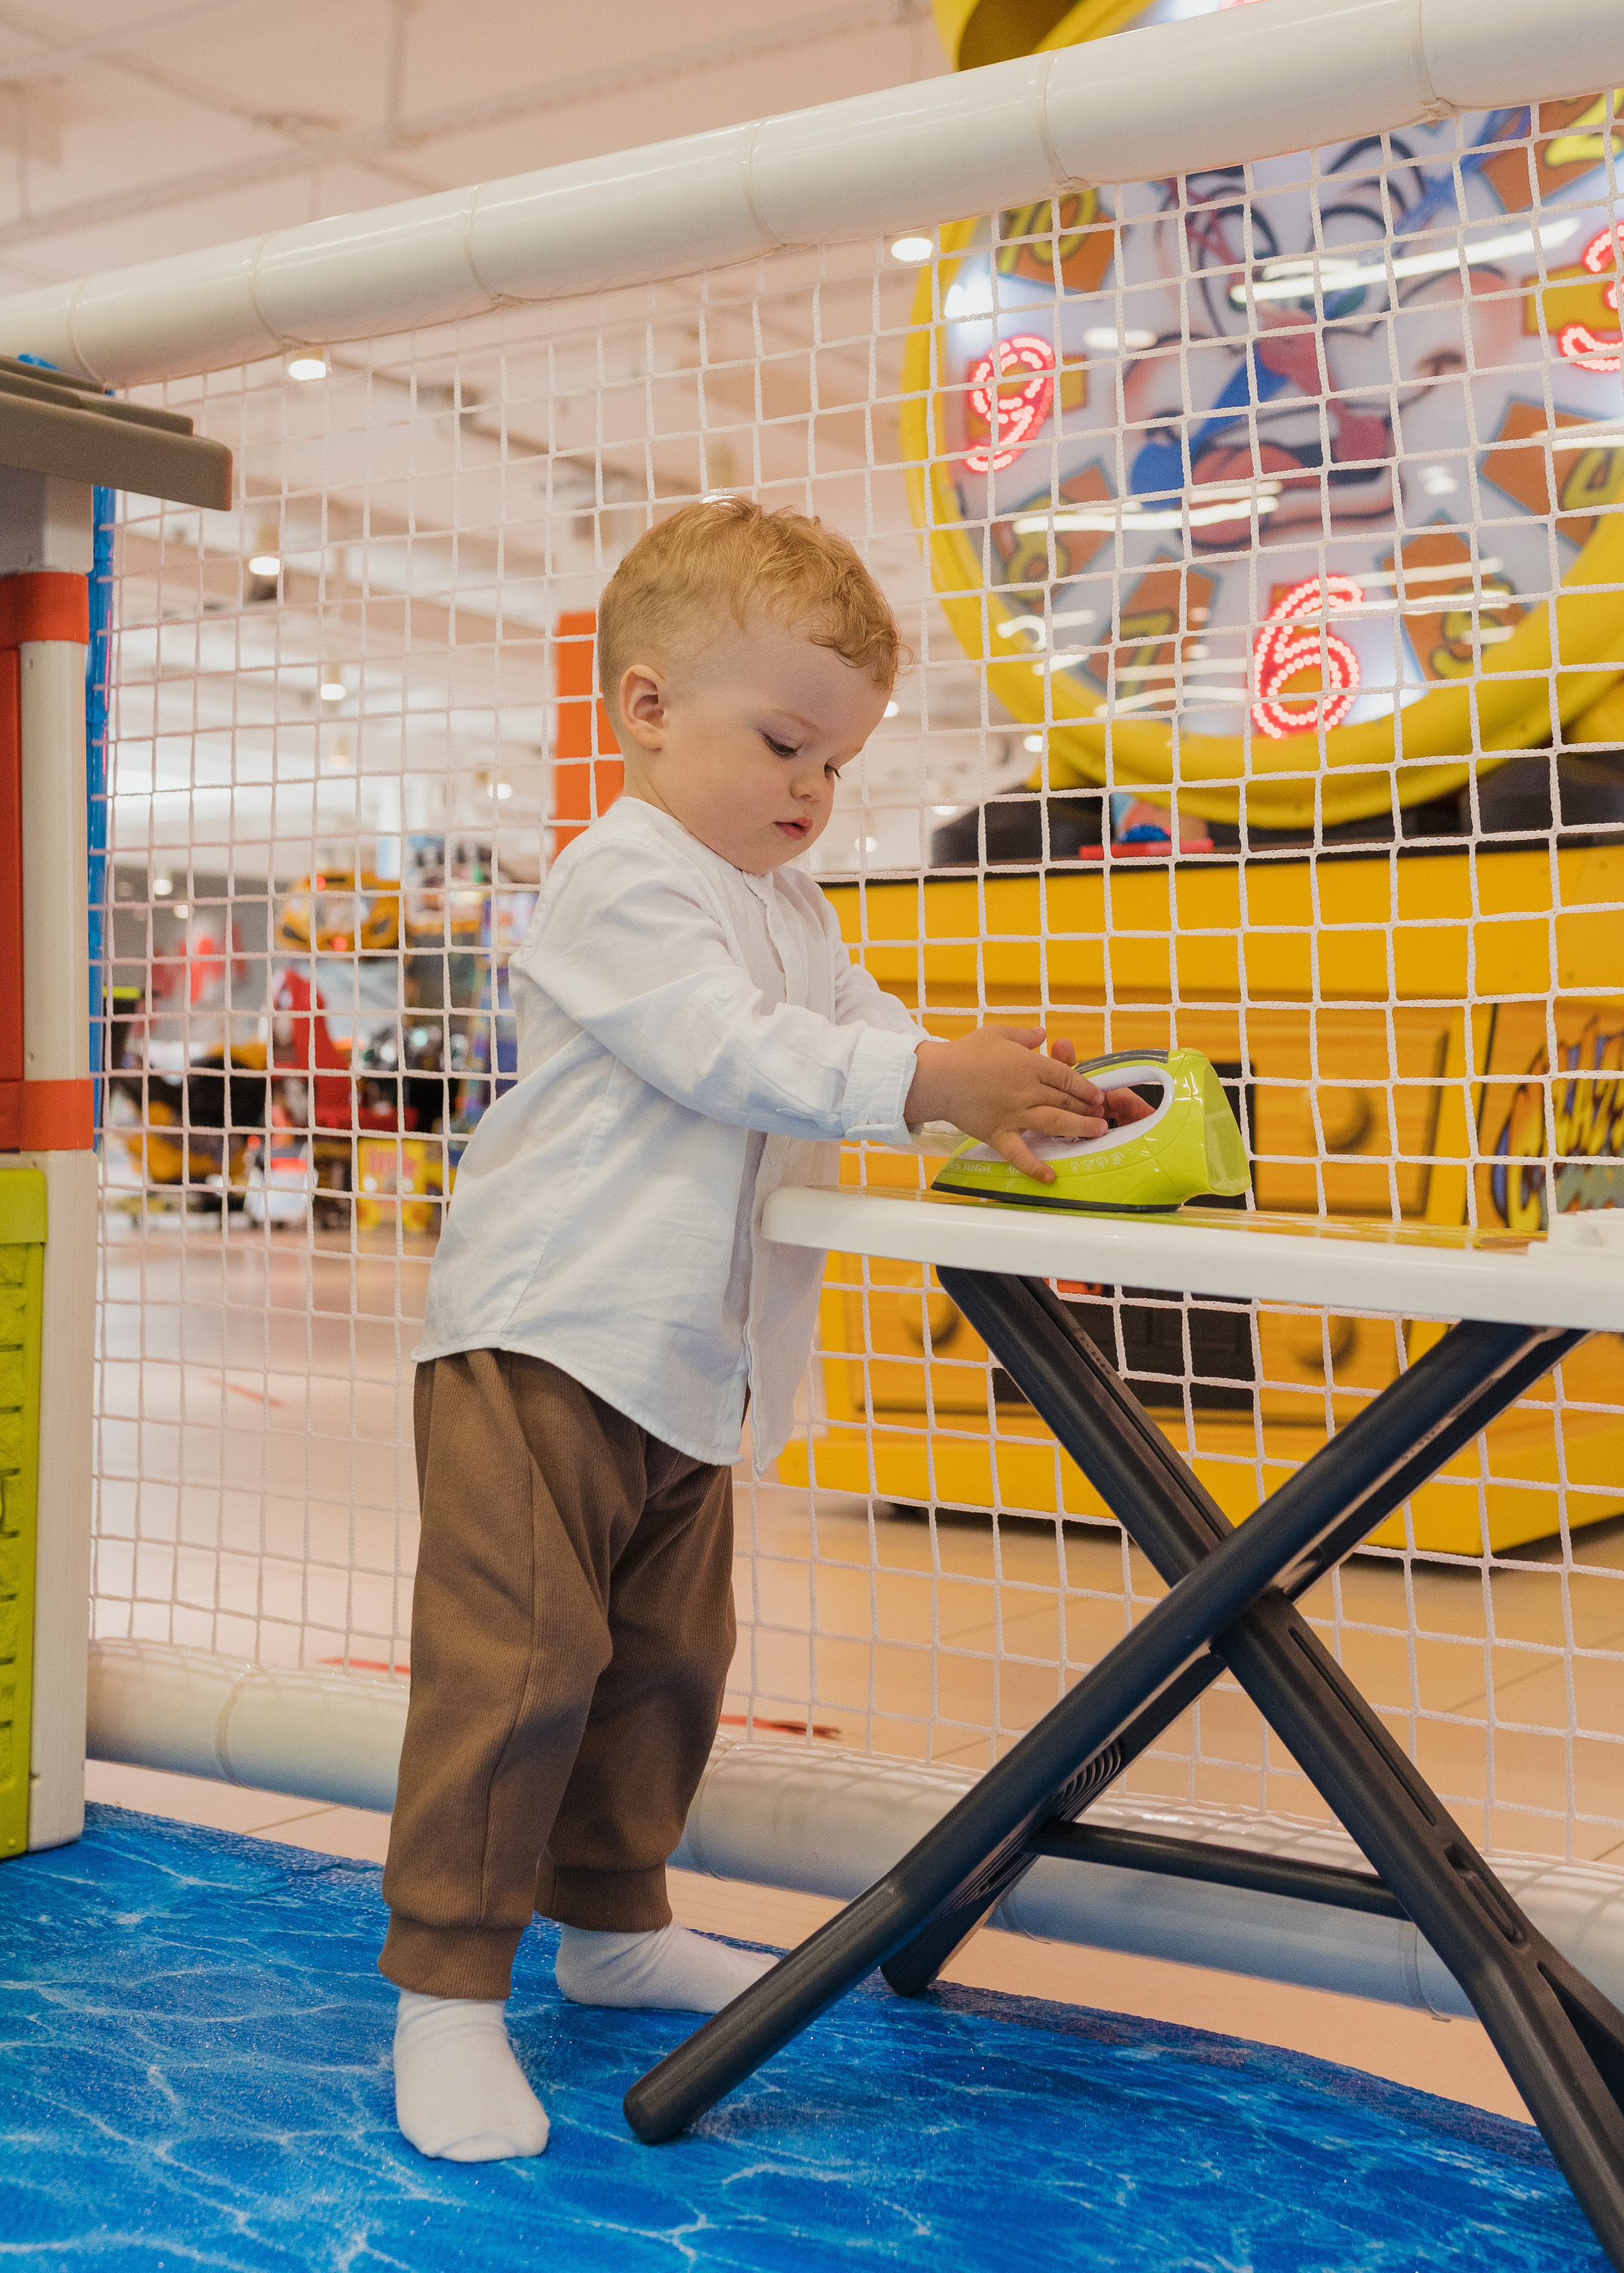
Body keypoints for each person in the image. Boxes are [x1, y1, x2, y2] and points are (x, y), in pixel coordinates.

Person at [381, 496, 1143, 2163]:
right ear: (646, 710)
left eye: (837, 766)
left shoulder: (793, 911)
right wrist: (915, 1081)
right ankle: (443, 1994)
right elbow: (729, 1054)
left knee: (664, 1665)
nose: (810, 790)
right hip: (545, 1344)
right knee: (518, 1669)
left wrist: (980, 1102)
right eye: (786, 743)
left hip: (689, 1368)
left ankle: (610, 1925)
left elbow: (860, 1035)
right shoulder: (619, 879)